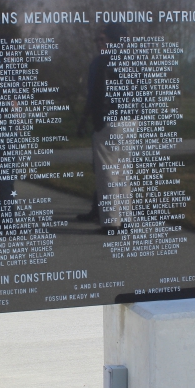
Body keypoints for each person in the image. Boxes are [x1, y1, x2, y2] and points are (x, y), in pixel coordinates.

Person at [77, 23, 133, 232]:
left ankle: (111, 221)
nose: (99, 43)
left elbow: (95, 95)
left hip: (109, 121)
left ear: (111, 40)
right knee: (123, 171)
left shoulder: (101, 62)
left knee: (107, 172)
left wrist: (93, 121)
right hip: (130, 122)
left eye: (103, 39)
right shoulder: (134, 61)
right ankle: (126, 218)